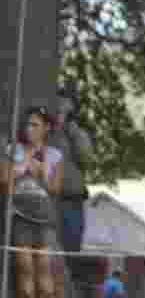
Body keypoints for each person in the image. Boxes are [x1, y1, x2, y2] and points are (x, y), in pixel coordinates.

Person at [0, 105, 64, 298]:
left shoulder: (55, 155)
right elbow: (4, 183)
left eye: (35, 124)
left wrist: (42, 171)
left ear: (46, 128)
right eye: (27, 124)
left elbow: (56, 189)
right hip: (19, 215)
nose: (29, 129)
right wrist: (21, 167)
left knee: (45, 266)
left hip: (44, 216)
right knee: (24, 265)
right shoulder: (13, 150)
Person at [49, 88, 92, 260]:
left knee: (71, 251)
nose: (61, 107)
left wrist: (72, 132)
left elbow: (86, 157)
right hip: (52, 201)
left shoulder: (78, 134)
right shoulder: (47, 132)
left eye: (65, 104)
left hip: (73, 201)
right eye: (59, 103)